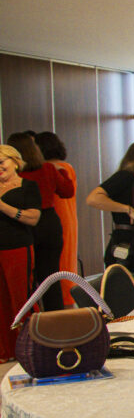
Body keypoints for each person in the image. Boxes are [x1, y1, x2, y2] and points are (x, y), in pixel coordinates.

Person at [7, 132, 73, 312]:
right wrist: (63, 173)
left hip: (23, 225)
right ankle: (56, 319)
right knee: (51, 276)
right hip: (49, 223)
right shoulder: (48, 170)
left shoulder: (15, 175)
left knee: (27, 278)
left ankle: (31, 321)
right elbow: (67, 191)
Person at [86, 140, 134, 276]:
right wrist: (127, 209)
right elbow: (93, 198)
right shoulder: (125, 177)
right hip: (125, 242)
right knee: (123, 289)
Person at [0, 145, 41, 361]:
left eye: (1, 163)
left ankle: (31, 345)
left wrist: (3, 207)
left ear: (15, 161)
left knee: (21, 298)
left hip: (17, 247)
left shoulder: (28, 186)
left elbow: (33, 218)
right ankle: (5, 350)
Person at [34, 132, 79, 307]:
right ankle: (68, 299)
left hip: (55, 218)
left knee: (56, 264)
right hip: (68, 218)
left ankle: (63, 301)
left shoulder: (48, 169)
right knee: (66, 261)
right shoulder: (66, 166)